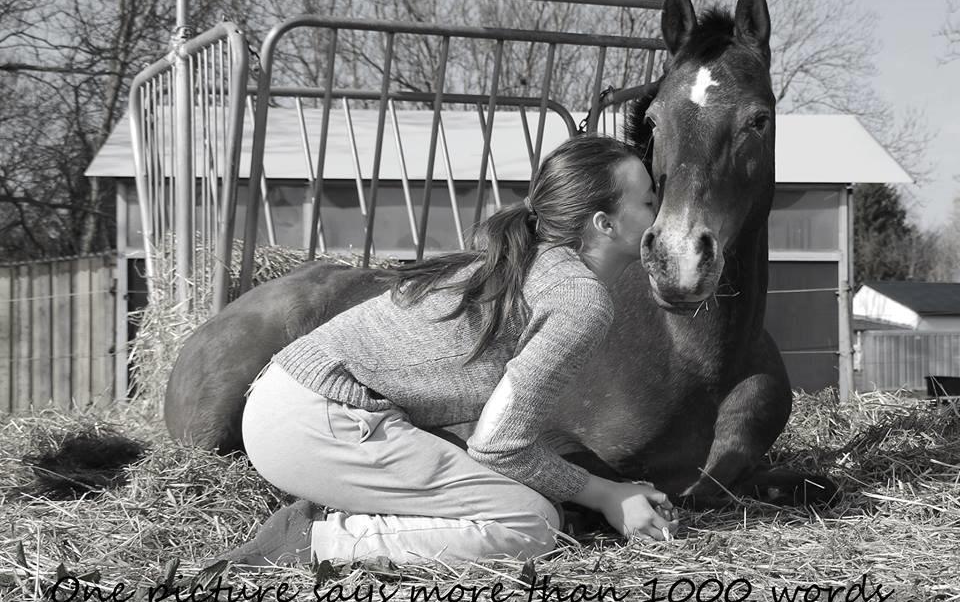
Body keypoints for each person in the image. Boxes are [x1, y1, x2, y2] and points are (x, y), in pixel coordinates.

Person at [224, 134, 677, 567]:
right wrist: (605, 494)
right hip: (314, 421)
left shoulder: (532, 259)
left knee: (536, 503)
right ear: (605, 224)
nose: (661, 215)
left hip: (298, 406)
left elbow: (502, 432)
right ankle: (311, 539)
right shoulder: (579, 297)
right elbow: (499, 446)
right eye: (650, 204)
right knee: (531, 523)